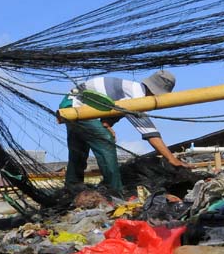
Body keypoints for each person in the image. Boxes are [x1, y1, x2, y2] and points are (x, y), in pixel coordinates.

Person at [60, 70, 190, 196]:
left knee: (78, 151)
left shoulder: (131, 89)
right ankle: (115, 192)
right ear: (155, 92)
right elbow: (150, 132)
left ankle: (71, 188)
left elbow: (113, 108)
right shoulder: (136, 96)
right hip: (75, 106)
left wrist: (106, 123)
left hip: (70, 103)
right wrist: (171, 158)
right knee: (105, 139)